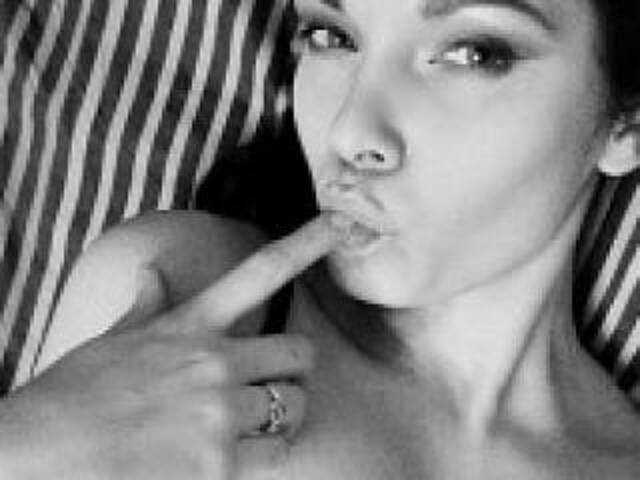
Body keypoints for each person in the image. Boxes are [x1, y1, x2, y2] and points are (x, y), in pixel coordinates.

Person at [4, 0, 640, 478]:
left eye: (472, 54)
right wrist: (25, 444)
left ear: (626, 123)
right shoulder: (182, 301)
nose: (351, 132)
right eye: (331, 37)